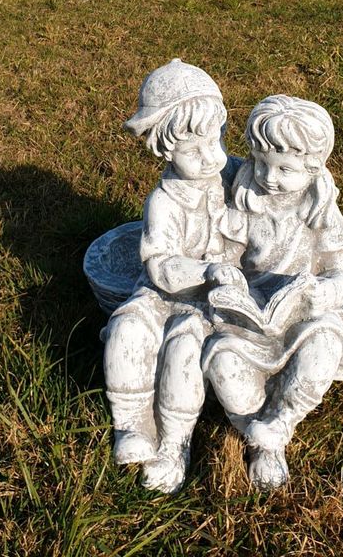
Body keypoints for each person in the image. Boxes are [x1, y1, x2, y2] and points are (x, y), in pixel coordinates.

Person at [203, 95, 343, 489]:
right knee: (221, 363)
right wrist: (228, 282)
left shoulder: (320, 211)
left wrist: (319, 296)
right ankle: (255, 432)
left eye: (285, 168)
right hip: (250, 318)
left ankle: (282, 422)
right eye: (261, 163)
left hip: (301, 318)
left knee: (324, 348)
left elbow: (340, 277)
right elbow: (226, 256)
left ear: (313, 169)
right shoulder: (246, 200)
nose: (269, 177)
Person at [102, 59, 244, 493]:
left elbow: (278, 194)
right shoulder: (163, 201)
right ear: (164, 150)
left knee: (183, 350)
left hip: (209, 301)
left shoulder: (235, 176)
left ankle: (175, 444)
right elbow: (160, 264)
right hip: (167, 289)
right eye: (193, 150)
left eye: (216, 140)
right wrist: (206, 268)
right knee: (126, 331)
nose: (211, 157)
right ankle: (131, 425)